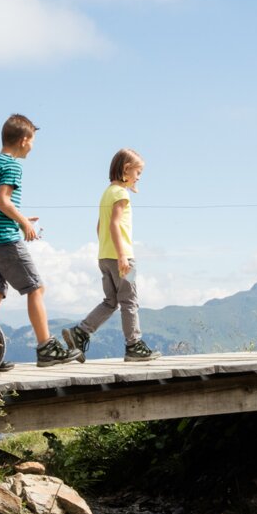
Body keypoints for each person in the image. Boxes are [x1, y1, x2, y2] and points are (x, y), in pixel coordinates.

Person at [0, 114, 81, 367]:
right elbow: (3, 202)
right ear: (24, 140)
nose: (33, 146)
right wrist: (23, 223)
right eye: (32, 140)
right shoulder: (13, 165)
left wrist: (21, 217)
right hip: (3, 240)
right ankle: (46, 347)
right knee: (36, 288)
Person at [60, 149, 159, 362]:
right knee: (130, 301)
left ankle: (81, 332)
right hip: (123, 258)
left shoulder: (107, 193)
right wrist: (122, 255)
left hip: (104, 257)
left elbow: (100, 226)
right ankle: (134, 345)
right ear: (126, 169)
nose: (139, 177)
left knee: (110, 301)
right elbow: (114, 224)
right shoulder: (121, 194)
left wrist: (107, 250)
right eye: (138, 172)